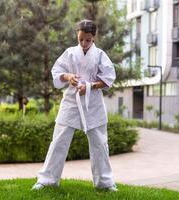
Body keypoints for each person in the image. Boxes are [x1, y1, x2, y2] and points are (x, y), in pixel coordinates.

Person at [32, 19, 117, 191]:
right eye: (81, 40)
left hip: (92, 103)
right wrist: (68, 76)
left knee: (100, 143)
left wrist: (90, 86)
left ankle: (105, 183)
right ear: (77, 36)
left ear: (94, 37)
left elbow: (109, 79)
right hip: (71, 101)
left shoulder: (100, 55)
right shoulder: (70, 53)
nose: (84, 43)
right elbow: (57, 72)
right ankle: (46, 180)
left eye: (88, 40)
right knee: (59, 140)